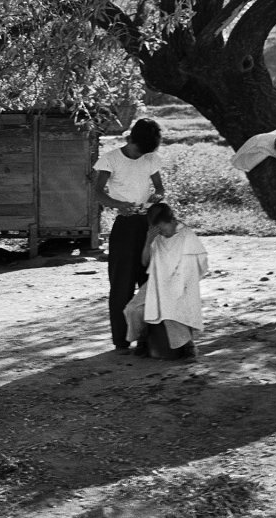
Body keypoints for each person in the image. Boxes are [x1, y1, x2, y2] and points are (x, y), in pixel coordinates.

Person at [93, 119, 165, 352]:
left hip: (148, 224)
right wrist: (118, 205)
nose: (140, 155)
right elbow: (97, 193)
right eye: (138, 150)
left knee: (149, 281)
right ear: (131, 139)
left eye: (145, 152)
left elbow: (159, 188)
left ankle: (148, 339)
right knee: (121, 285)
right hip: (124, 226)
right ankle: (121, 340)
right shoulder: (110, 159)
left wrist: (157, 196)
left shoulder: (150, 158)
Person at [124, 203, 208, 358]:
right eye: (158, 230)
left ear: (172, 221)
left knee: (170, 309)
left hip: (181, 283)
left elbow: (196, 267)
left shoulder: (187, 236)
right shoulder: (157, 237)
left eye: (163, 228)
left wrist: (175, 284)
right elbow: (145, 262)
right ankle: (143, 338)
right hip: (157, 281)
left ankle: (187, 345)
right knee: (133, 309)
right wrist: (149, 240)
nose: (162, 232)